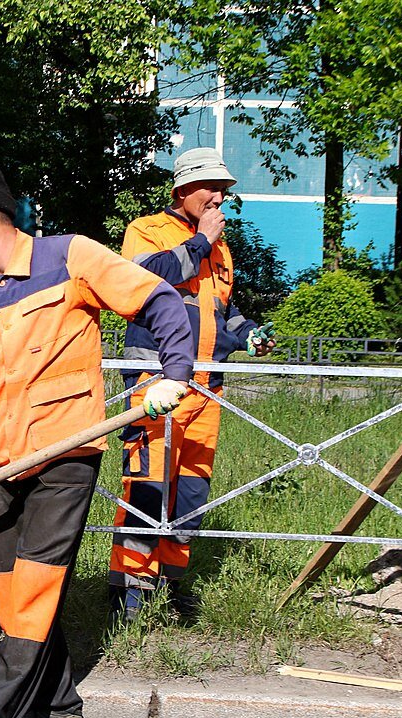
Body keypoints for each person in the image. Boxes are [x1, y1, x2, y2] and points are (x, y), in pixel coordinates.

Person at [0, 163, 195, 718]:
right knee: (10, 592)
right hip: (4, 464)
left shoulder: (70, 257)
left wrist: (174, 375)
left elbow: (159, 298)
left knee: (36, 587)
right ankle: (61, 707)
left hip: (68, 452)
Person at [109, 148, 275, 623]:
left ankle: (171, 586)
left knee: (190, 493)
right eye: (213, 188)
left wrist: (250, 334)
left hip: (207, 392)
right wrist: (200, 242)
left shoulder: (221, 247)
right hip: (155, 384)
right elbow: (142, 281)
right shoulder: (146, 231)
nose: (221, 198)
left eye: (225, 190)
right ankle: (130, 595)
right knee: (146, 487)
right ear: (184, 188)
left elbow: (222, 313)